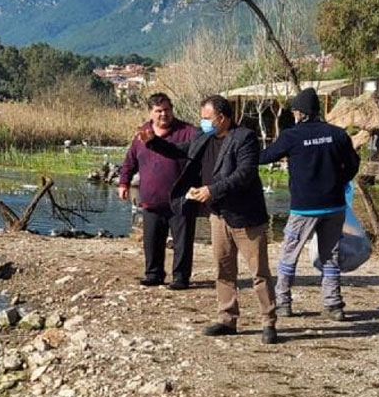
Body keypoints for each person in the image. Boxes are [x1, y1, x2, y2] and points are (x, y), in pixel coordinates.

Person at [141, 95, 278, 342]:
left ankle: (268, 322)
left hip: (246, 216)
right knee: (223, 270)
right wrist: (153, 143)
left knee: (259, 272)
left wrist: (212, 190)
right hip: (218, 216)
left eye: (207, 118)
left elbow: (244, 174)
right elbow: (179, 151)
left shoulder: (244, 137)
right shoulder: (203, 137)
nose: (202, 123)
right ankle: (227, 318)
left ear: (222, 118)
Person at [257, 88, 360, 320]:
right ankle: (333, 305)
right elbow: (354, 164)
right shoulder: (338, 134)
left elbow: (264, 157)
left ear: (299, 112)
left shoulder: (291, 136)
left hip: (304, 207)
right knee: (331, 255)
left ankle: (283, 302)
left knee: (289, 254)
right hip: (334, 206)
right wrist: (340, 181)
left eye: (294, 111)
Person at [119, 93, 200, 289]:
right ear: (151, 112)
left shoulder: (189, 132)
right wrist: (124, 182)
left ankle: (181, 277)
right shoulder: (142, 134)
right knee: (152, 240)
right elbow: (130, 161)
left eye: (167, 110)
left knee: (182, 242)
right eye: (158, 111)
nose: (163, 114)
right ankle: (153, 274)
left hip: (181, 198)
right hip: (151, 198)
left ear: (172, 109)